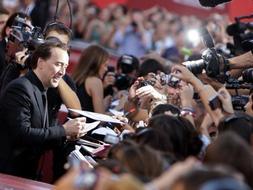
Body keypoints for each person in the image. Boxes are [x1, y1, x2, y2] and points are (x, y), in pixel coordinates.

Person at [0, 38, 86, 180]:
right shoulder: (21, 88)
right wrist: (63, 130)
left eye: (65, 66)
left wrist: (66, 135)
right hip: (8, 175)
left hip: (24, 174)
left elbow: (40, 136)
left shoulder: (42, 89)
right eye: (58, 65)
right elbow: (23, 134)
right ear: (40, 63)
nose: (62, 72)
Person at [72, 45, 109, 114]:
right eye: (105, 65)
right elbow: (100, 117)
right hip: (86, 124)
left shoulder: (76, 78)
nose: (106, 69)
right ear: (96, 64)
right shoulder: (95, 81)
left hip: (70, 122)